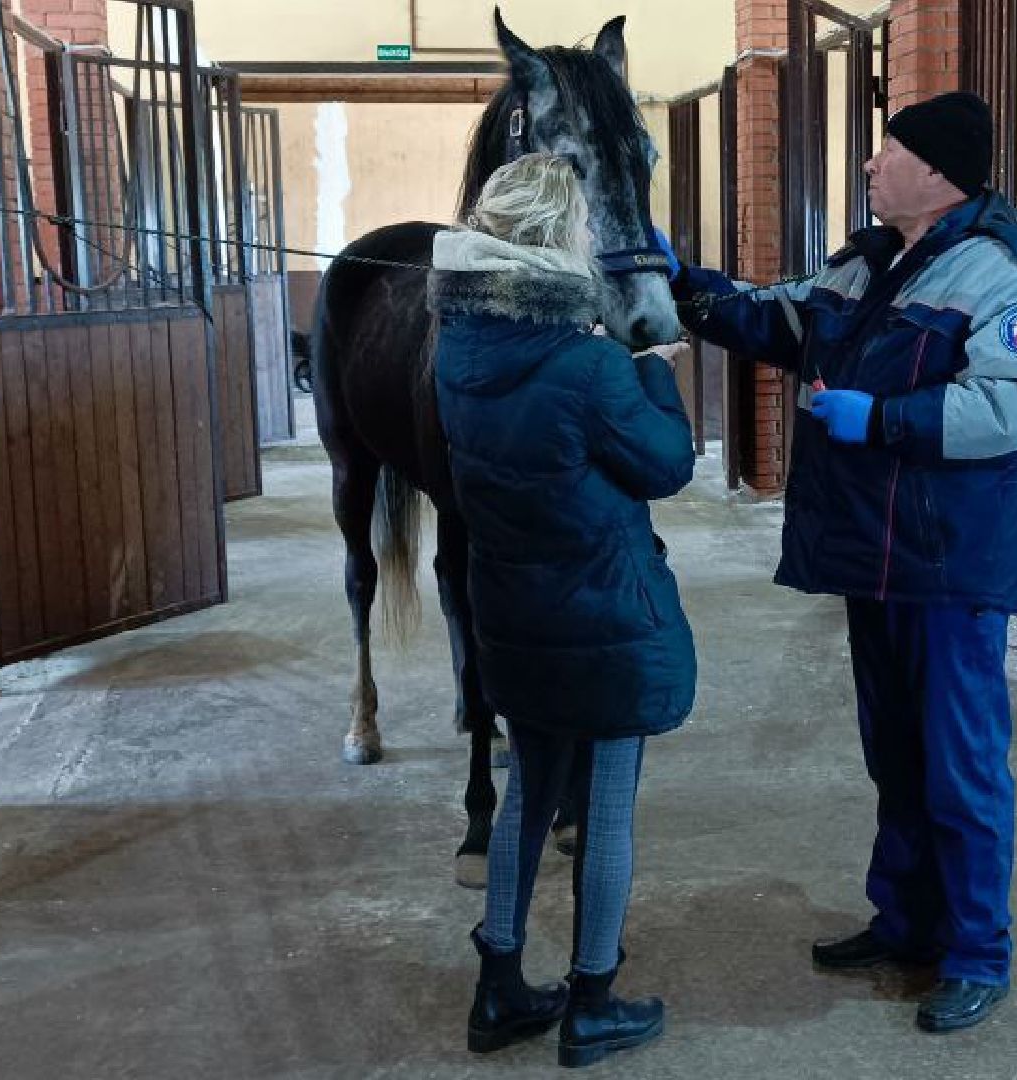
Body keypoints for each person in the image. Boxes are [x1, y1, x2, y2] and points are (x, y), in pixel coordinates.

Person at [666, 90, 1017, 1033]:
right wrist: (683, 282)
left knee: (960, 764)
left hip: (947, 561)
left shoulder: (1009, 273)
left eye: (886, 153)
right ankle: (905, 922)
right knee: (895, 755)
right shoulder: (868, 261)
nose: (872, 167)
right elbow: (779, 318)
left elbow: (1012, 409)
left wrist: (879, 418)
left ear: (934, 171)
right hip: (876, 558)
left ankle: (976, 951)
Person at [429, 151, 699, 1068]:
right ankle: (593, 1000)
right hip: (604, 622)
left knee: (524, 801)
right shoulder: (590, 366)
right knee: (611, 811)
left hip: (512, 614)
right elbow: (664, 465)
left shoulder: (456, 351)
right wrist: (654, 370)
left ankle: (498, 988)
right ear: (558, 240)